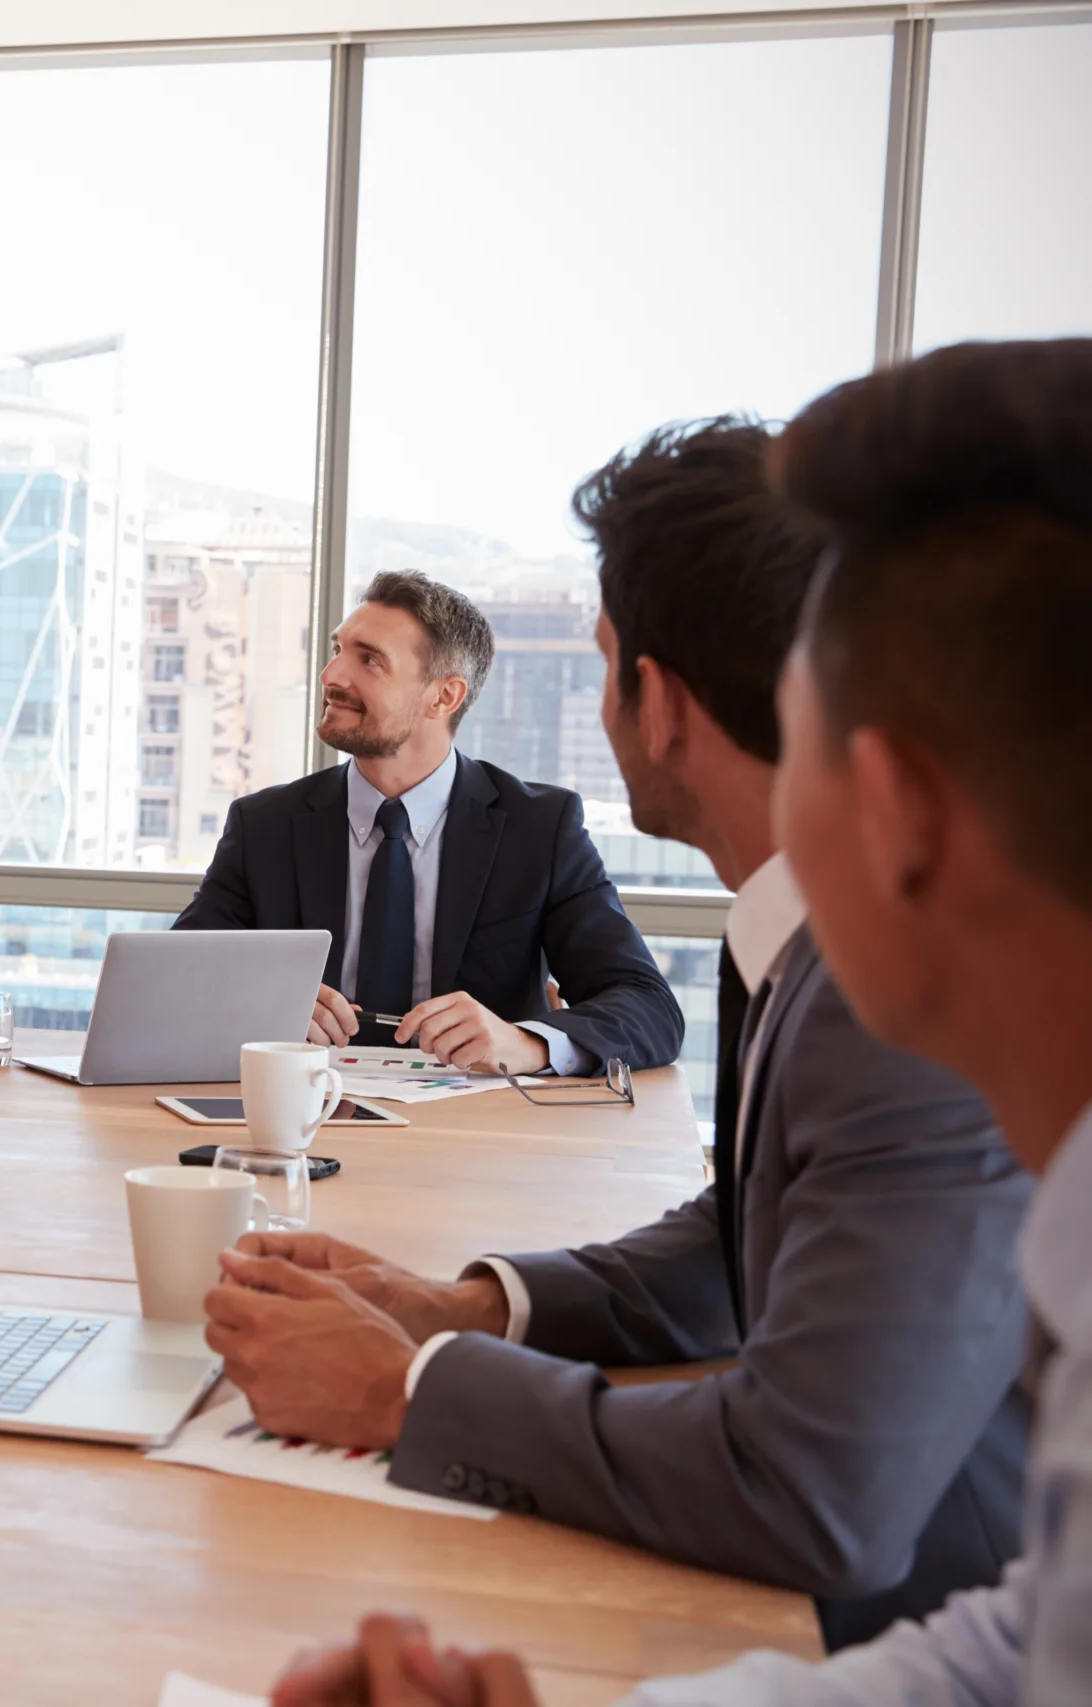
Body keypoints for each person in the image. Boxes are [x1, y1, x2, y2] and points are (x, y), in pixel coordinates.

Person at [267, 340, 1092, 1707]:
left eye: (819, 706)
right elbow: (1028, 1645)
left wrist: (422, 1374)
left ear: (897, 803)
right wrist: (466, 1304)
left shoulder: (890, 1020)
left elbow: (821, 1485)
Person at [174, 570, 681, 1073]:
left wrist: (525, 1043)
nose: (331, 677)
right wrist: (261, 1004)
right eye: (338, 651)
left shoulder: (538, 828)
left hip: (475, 1133)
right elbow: (173, 978)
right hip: (305, 1117)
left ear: (444, 697)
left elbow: (648, 1007)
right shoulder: (265, 825)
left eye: (368, 660)